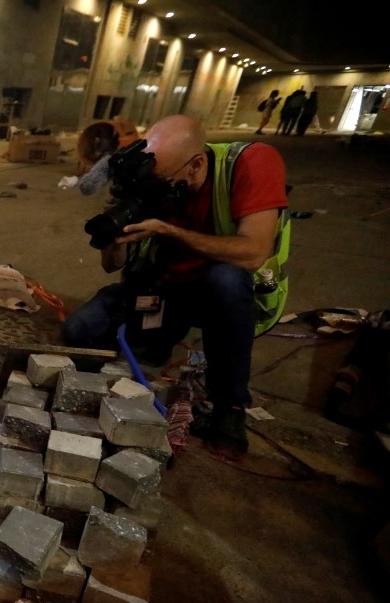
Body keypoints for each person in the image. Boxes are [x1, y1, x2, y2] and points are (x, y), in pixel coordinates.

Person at [62, 115, 289, 459]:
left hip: (220, 295)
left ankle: (231, 408)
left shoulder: (251, 162)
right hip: (165, 289)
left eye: (164, 181)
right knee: (80, 329)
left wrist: (169, 231)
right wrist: (118, 232)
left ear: (196, 165)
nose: (158, 188)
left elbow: (253, 252)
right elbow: (113, 265)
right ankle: (157, 342)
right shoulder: (152, 178)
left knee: (225, 279)